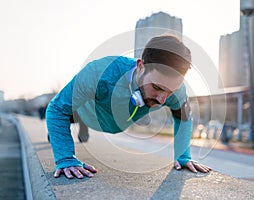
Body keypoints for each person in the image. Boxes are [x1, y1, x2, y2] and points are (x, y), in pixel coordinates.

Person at [46, 34, 211, 179]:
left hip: (116, 121)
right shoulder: (98, 72)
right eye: (157, 88)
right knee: (65, 118)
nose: (162, 100)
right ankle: (66, 129)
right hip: (86, 113)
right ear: (140, 67)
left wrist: (183, 157)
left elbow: (183, 118)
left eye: (170, 92)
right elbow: (56, 108)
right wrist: (65, 158)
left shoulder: (177, 91)